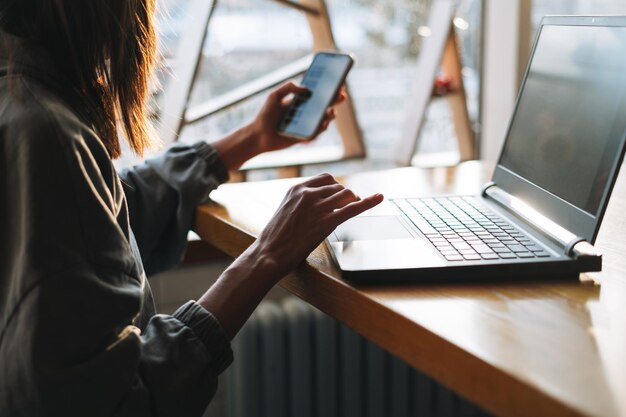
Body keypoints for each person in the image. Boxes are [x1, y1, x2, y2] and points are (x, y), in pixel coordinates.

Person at [0, 1, 383, 416]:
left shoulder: (21, 106)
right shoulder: (47, 136)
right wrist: (265, 255)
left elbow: (101, 221)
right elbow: (117, 402)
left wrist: (250, 139)